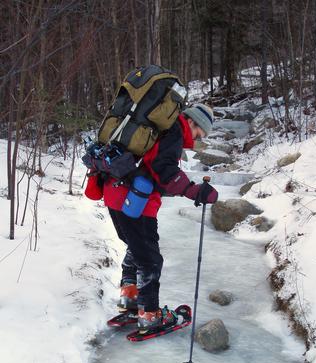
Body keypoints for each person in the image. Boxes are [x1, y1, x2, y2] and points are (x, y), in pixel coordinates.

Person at [85, 104, 218, 332]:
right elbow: (164, 169)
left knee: (136, 248)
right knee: (150, 259)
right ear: (193, 122)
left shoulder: (157, 127)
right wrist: (195, 191)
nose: (197, 139)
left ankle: (130, 298)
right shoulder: (173, 130)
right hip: (135, 201)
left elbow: (151, 167)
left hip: (114, 192)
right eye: (200, 133)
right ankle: (149, 314)